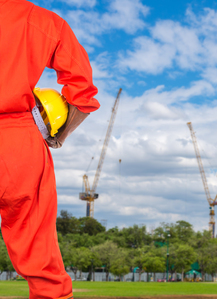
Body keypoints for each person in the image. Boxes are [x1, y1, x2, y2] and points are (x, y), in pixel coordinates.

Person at [0, 1, 100, 298]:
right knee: (40, 257)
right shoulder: (39, 20)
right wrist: (60, 136)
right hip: (17, 142)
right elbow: (83, 95)